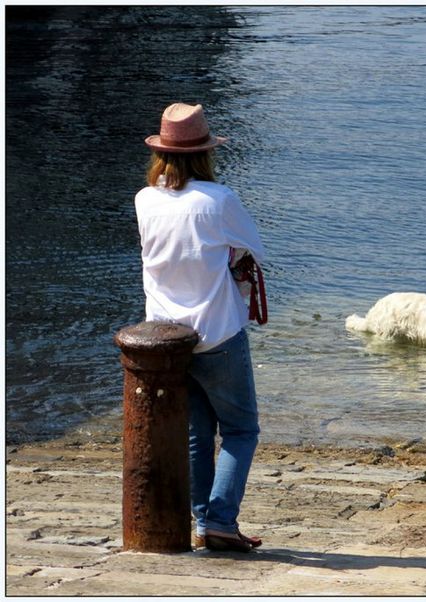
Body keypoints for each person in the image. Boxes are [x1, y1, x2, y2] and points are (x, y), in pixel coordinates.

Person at [135, 102, 266, 553]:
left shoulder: (144, 199)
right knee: (241, 430)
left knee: (196, 433)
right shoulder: (219, 199)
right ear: (205, 152)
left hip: (165, 337)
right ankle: (221, 521)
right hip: (217, 332)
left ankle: (203, 521)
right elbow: (254, 248)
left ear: (161, 153)